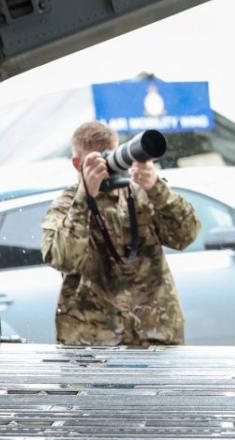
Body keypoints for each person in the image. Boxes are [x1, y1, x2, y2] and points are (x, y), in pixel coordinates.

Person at [40, 122, 200, 345]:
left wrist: (156, 188)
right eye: (99, 159)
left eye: (112, 156)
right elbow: (63, 259)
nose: (108, 166)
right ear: (78, 163)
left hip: (154, 334)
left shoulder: (143, 193)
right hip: (93, 343)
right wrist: (85, 198)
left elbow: (186, 236)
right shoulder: (67, 205)